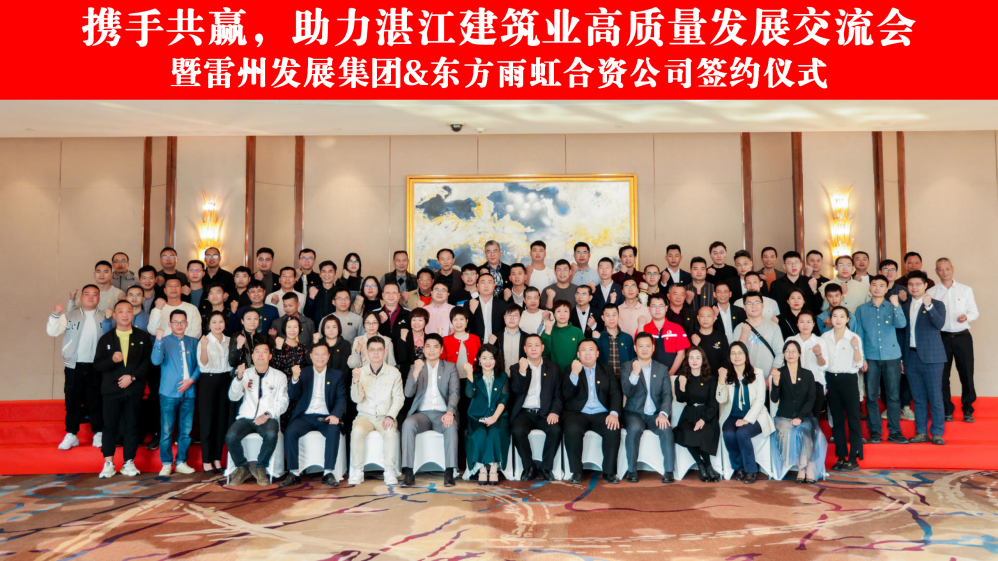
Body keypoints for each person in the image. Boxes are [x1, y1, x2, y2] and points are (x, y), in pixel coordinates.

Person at [94, 300, 152, 479]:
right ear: (115, 315)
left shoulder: (142, 337)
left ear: (133, 315)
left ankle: (129, 462)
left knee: (132, 426)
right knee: (109, 426)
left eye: (128, 311)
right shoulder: (106, 338)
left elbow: (147, 363)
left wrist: (132, 377)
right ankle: (108, 463)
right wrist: (112, 360)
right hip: (111, 390)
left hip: (134, 389)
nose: (125, 314)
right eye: (120, 311)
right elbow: (98, 365)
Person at [279, 343, 348, 488]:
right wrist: (295, 378)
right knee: (290, 431)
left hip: (326, 417)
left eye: (323, 354)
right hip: (305, 416)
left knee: (334, 430)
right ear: (311, 356)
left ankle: (328, 473)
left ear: (328, 356)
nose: (320, 357)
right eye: (317, 354)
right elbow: (293, 395)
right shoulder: (304, 372)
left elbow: (341, 398)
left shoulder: (337, 375)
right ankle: (294, 473)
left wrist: (335, 415)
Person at [47, 285, 105, 451]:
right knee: (72, 401)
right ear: (81, 298)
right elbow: (52, 331)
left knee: (96, 401)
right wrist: (55, 314)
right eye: (87, 294)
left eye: (95, 294)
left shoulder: (105, 316)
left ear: (99, 298)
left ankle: (98, 433)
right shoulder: (70, 315)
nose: (91, 297)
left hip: (97, 366)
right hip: (74, 365)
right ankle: (72, 434)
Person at [399, 334, 459, 487]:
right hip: (422, 415)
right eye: (428, 346)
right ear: (423, 349)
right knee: (408, 424)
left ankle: (449, 471)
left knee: (450, 425)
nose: (431, 350)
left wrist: (450, 412)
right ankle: (409, 472)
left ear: (441, 349)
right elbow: (408, 393)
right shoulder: (416, 367)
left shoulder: (450, 367)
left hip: (442, 414)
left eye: (435, 346)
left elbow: (454, 392)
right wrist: (416, 372)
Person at [226, 342, 289, 486]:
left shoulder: (279, 376)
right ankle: (242, 468)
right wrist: (238, 378)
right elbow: (233, 397)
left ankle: (261, 467)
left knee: (271, 434)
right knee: (231, 436)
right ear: (252, 356)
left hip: (268, 417)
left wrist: (267, 414)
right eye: (257, 352)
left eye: (264, 351)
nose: (260, 355)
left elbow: (283, 401)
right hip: (246, 417)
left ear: (270, 356)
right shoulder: (246, 373)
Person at [852, 275, 906, 444]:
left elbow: (901, 324)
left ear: (886, 288)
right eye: (874, 285)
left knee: (893, 396)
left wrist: (897, 305)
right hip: (871, 357)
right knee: (871, 396)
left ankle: (895, 431)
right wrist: (862, 358)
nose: (877, 288)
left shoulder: (892, 306)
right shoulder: (861, 309)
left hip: (892, 356)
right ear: (870, 287)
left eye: (881, 285)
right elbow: (859, 335)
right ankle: (875, 431)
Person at [562, 339, 623, 484]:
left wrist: (614, 414)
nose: (587, 353)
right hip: (577, 413)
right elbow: (566, 393)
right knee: (572, 429)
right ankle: (576, 472)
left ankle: (609, 472)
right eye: (583, 350)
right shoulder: (570, 369)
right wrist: (574, 374)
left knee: (613, 428)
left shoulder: (607, 370)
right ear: (578, 354)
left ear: (597, 353)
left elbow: (615, 393)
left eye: (591, 349)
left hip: (601, 413)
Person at [927, 258, 979, 423]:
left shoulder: (965, 290)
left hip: (962, 336)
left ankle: (968, 409)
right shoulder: (932, 292)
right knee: (942, 375)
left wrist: (967, 317)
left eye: (947, 269)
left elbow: (974, 312)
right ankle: (946, 410)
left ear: (952, 269)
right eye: (941, 269)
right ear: (936, 271)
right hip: (941, 338)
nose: (944, 272)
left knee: (967, 373)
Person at [349, 336, 405, 485]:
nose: (375, 353)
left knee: (390, 432)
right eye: (372, 350)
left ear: (385, 351)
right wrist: (355, 381)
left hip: (384, 416)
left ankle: (389, 471)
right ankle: (357, 470)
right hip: (364, 416)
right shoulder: (360, 372)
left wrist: (390, 416)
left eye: (379, 349)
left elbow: (399, 398)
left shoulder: (394, 373)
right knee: (357, 432)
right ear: (367, 352)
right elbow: (356, 399)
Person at [716, 341, 774, 484]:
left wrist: (747, 420)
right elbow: (721, 399)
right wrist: (721, 380)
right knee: (728, 434)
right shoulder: (727, 375)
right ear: (729, 356)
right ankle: (739, 468)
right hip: (732, 415)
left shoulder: (757, 373)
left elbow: (760, 399)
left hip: (755, 415)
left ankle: (751, 470)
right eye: (733, 353)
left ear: (746, 355)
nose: (737, 356)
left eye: (740, 353)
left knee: (742, 433)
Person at [621, 332, 676, 484]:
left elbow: (667, 394)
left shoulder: (662, 369)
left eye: (647, 346)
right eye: (641, 346)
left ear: (653, 347)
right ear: (635, 348)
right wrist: (635, 373)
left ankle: (669, 471)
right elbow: (627, 392)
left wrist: (663, 413)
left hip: (655, 414)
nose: (644, 349)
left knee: (666, 429)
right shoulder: (627, 366)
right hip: (634, 413)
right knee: (634, 429)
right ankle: (632, 471)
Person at [151, 310, 201, 476]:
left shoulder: (194, 342)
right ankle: (166, 463)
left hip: (189, 392)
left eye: (182, 322)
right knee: (166, 430)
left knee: (186, 430)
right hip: (168, 392)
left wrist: (191, 380)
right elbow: (155, 361)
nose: (179, 325)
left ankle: (181, 461)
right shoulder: (164, 341)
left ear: (187, 324)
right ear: (170, 324)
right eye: (175, 322)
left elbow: (200, 364)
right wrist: (158, 340)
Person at [901, 271, 947, 445]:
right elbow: (902, 334)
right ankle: (921, 432)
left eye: (918, 284)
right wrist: (902, 359)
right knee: (918, 398)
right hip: (911, 357)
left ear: (925, 285)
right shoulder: (905, 306)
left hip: (933, 358)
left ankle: (937, 432)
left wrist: (929, 306)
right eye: (911, 284)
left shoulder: (937, 304)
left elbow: (939, 324)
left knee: (935, 397)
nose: (914, 287)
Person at [509, 334, 563, 482]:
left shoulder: (553, 368)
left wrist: (554, 412)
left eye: (537, 345)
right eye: (530, 346)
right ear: (525, 349)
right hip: (524, 413)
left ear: (542, 348)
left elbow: (558, 396)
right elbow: (517, 390)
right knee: (517, 431)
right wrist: (522, 371)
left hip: (545, 413)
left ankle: (546, 468)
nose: (533, 349)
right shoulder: (515, 368)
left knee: (556, 430)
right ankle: (529, 467)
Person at [771, 340, 825, 483]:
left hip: (804, 415)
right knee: (789, 430)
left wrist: (800, 417)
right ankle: (802, 467)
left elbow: (811, 399)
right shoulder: (779, 372)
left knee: (806, 430)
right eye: (787, 351)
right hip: (784, 416)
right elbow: (774, 399)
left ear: (799, 354)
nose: (790, 354)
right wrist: (775, 383)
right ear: (784, 354)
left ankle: (808, 466)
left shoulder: (807, 374)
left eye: (794, 351)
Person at [822, 306, 865, 470]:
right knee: (837, 420)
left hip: (849, 380)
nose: (838, 319)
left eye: (842, 316)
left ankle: (854, 458)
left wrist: (855, 347)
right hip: (832, 380)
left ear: (847, 319)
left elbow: (859, 363)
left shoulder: (854, 337)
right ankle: (841, 457)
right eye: (835, 316)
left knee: (853, 419)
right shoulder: (825, 337)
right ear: (830, 319)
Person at [463, 345, 511, 485]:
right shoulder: (475, 376)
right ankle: (483, 468)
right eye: (484, 358)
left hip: (498, 416)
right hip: (476, 417)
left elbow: (503, 399)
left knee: (495, 432)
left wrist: (494, 417)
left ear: (496, 360)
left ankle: (494, 468)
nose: (488, 361)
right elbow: (469, 394)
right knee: (480, 433)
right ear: (479, 359)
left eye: (491, 358)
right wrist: (469, 374)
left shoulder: (502, 377)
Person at [674, 346, 720, 482]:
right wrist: (682, 386)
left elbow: (714, 403)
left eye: (698, 358)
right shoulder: (682, 378)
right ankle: (702, 465)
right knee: (687, 433)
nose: (694, 361)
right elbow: (680, 399)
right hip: (689, 413)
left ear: (702, 360)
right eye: (691, 358)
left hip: (706, 414)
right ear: (687, 360)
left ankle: (708, 466)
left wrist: (703, 419)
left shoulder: (710, 379)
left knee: (703, 433)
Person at [197, 311, 231, 474]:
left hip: (225, 381)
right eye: (214, 322)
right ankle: (206, 461)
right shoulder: (204, 340)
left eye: (221, 322)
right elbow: (203, 363)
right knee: (207, 422)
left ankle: (217, 459)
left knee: (221, 422)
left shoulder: (229, 340)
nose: (218, 325)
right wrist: (204, 346)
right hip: (208, 381)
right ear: (209, 325)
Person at [732, 292, 784, 382]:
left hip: (770, 378)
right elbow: (735, 355)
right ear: (744, 307)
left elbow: (780, 353)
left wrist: (770, 379)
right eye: (749, 303)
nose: (753, 306)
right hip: (746, 379)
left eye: (757, 302)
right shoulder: (739, 328)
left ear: (762, 305)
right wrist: (744, 334)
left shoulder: (773, 326)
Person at [788, 311, 829, 421]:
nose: (805, 325)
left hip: (815, 383)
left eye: (808, 322)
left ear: (813, 324)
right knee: (795, 418)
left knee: (814, 419)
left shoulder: (820, 341)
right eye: (802, 322)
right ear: (797, 324)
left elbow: (824, 366)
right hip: (794, 384)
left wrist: (818, 355)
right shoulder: (791, 341)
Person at [272, 317, 310, 429]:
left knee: (297, 423)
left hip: (299, 390)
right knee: (283, 422)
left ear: (300, 329)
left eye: (295, 327)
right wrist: (278, 348)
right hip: (283, 390)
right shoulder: (279, 347)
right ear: (284, 329)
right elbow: (275, 368)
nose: (292, 330)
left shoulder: (304, 348)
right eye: (289, 327)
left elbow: (308, 368)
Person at [637, 295, 690, 375]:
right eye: (654, 306)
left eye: (661, 306)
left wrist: (670, 374)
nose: (657, 309)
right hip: (649, 375)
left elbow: (681, 354)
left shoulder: (677, 328)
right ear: (649, 309)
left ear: (666, 308)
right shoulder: (643, 329)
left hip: (673, 375)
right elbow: (638, 349)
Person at [770, 251, 823, 316]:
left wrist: (814, 290)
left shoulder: (810, 282)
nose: (793, 266)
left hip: (806, 319)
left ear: (801, 265)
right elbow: (773, 307)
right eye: (790, 263)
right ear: (784, 266)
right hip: (784, 320)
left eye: (796, 262)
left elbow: (818, 306)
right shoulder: (776, 284)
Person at [541, 301, 584, 374]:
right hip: (552, 373)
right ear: (554, 314)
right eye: (558, 311)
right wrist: (547, 333)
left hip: (573, 372)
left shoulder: (577, 332)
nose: (562, 314)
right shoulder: (548, 330)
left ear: (570, 313)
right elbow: (544, 353)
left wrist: (573, 368)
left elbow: (582, 351)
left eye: (565, 311)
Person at [594, 304, 636, 377]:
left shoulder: (627, 338)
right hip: (604, 379)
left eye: (614, 315)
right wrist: (595, 340)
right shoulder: (598, 337)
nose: (611, 318)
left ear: (618, 316)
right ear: (603, 318)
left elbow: (633, 360)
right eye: (607, 315)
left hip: (624, 379)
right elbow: (593, 360)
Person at [468, 273, 507, 342]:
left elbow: (506, 327)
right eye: (483, 282)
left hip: (496, 345)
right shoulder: (469, 304)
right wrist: (471, 312)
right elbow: (465, 328)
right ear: (477, 286)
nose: (486, 286)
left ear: (494, 286)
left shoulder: (503, 305)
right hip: (475, 344)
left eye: (489, 282)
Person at [692, 306, 728, 374]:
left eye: (708, 316)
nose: (705, 319)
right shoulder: (692, 336)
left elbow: (725, 359)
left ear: (714, 318)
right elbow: (687, 359)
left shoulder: (721, 337)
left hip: (717, 376)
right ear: (698, 318)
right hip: (697, 376)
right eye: (702, 316)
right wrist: (694, 345)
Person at [304, 260, 339, 327]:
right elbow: (307, 314)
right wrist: (311, 299)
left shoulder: (339, 292)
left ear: (335, 274)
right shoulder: (313, 290)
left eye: (330, 271)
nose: (327, 274)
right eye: (324, 271)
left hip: (335, 328)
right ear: (320, 274)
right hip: (316, 329)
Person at [495, 304, 528, 372]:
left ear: (520, 318)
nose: (512, 318)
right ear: (504, 317)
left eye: (515, 315)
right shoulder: (496, 337)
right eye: (509, 315)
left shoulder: (527, 338)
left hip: (521, 375)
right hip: (502, 376)